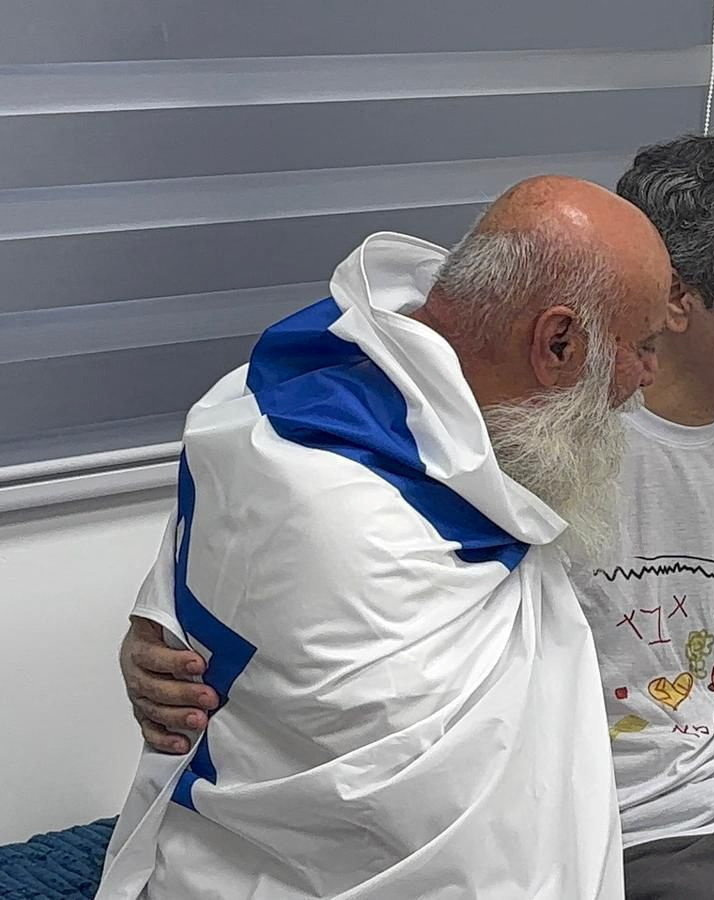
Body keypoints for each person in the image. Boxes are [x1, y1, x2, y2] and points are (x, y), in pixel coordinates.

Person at [116, 135, 714, 900]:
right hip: (638, 831)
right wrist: (161, 627)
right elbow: (294, 483)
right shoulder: (542, 429)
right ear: (672, 303)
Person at [97, 176, 672, 899]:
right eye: (645, 347)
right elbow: (470, 848)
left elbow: (207, 580)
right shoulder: (356, 527)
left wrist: (159, 621)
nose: (649, 377)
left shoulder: (274, 399)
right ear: (557, 343)